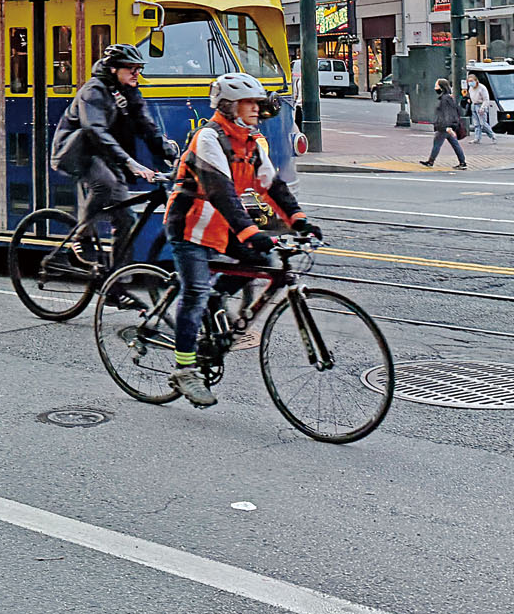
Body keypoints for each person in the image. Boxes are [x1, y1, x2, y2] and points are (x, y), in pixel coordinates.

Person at [163, 73, 321, 407]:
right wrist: (252, 232)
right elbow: (220, 191)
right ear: (230, 106)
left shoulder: (249, 141)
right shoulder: (209, 137)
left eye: (258, 102)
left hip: (222, 226)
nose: (257, 108)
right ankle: (184, 368)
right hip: (190, 224)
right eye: (250, 102)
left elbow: (272, 185)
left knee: (262, 263)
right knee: (195, 291)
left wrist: (300, 221)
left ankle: (215, 299)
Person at [50, 43, 180, 254]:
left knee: (127, 218)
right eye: (131, 68)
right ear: (113, 69)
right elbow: (95, 131)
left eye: (139, 69)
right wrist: (131, 163)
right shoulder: (93, 91)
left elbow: (147, 127)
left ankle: (116, 280)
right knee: (105, 183)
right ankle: (81, 235)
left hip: (107, 157)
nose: (136, 73)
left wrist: (173, 155)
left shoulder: (129, 92)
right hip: (77, 153)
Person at [422, 78, 469, 169]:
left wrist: (448, 126)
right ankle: (462, 162)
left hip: (444, 126)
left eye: (436, 86)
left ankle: (431, 161)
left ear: (441, 87)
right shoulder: (448, 98)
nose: (435, 88)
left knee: (437, 144)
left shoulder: (445, 99)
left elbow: (447, 113)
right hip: (446, 126)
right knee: (454, 144)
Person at [468, 76, 495, 144]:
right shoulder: (471, 88)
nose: (470, 83)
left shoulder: (482, 88)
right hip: (474, 105)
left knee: (483, 123)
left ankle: (492, 135)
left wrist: (482, 108)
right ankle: (477, 138)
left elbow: (486, 99)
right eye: (469, 81)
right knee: (476, 124)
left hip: (480, 105)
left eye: (472, 81)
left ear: (476, 80)